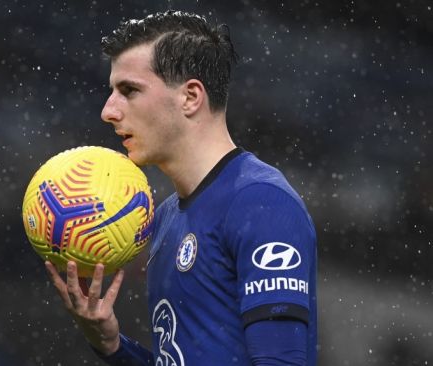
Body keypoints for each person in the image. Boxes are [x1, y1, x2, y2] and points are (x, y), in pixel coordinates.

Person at [45, 10, 317, 366]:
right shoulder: (164, 219)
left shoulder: (261, 203)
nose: (108, 111)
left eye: (129, 90)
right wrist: (112, 345)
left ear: (190, 97)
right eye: (112, 91)